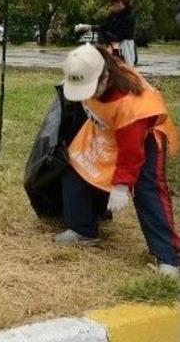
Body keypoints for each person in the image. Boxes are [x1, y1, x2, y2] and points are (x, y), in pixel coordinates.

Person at [55, 44, 178, 278]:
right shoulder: (93, 64)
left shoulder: (133, 104)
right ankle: (83, 229)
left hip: (144, 137)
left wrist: (121, 186)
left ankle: (169, 258)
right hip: (105, 128)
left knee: (147, 189)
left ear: (105, 77)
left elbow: (132, 152)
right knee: (76, 165)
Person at [74, 0, 136, 66]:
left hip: (124, 46)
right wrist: (88, 27)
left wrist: (108, 35)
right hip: (112, 45)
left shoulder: (128, 18)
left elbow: (123, 35)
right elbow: (104, 27)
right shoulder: (113, 16)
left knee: (126, 67)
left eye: (114, 4)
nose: (113, 7)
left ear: (121, 3)